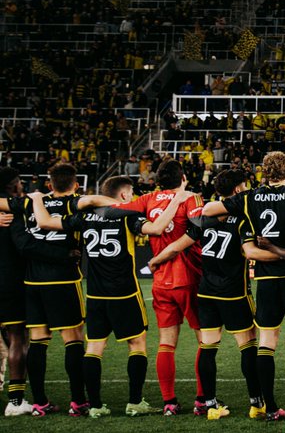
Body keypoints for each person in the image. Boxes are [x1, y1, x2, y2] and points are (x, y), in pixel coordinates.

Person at [146, 169, 285, 419]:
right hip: (233, 294)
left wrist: (156, 261)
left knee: (208, 346)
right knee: (248, 346)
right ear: (238, 191)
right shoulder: (242, 221)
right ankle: (257, 404)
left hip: (206, 293)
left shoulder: (203, 220)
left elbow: (176, 247)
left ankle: (210, 404)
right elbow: (251, 253)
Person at [31, 176, 189, 417]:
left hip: (95, 293)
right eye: (132, 192)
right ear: (124, 195)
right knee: (137, 344)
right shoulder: (127, 214)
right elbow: (157, 229)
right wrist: (178, 198)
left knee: (94, 348)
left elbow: (44, 222)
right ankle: (135, 402)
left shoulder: (85, 216)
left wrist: (36, 199)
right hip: (124, 292)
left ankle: (94, 406)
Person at [202, 151, 285, 421]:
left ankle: (269, 407)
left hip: (266, 278)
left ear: (264, 172)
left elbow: (209, 210)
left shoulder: (249, 197)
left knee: (267, 341)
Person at [3, 162, 121, 416]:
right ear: (76, 185)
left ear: (49, 184)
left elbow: (3, 203)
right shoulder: (75, 203)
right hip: (64, 280)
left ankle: (39, 402)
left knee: (38, 341)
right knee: (73, 340)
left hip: (32, 282)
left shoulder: (31, 202)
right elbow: (107, 202)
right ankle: (78, 401)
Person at [109, 159, 207, 415]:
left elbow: (113, 209)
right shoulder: (191, 199)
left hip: (160, 282)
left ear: (157, 180)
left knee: (166, 343)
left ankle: (169, 403)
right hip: (190, 278)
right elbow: (199, 230)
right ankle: (201, 399)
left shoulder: (147, 199)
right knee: (204, 340)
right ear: (183, 177)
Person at [0, 168, 30, 416]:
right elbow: (25, 248)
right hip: (9, 282)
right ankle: (16, 401)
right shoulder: (15, 213)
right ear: (13, 186)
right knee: (17, 337)